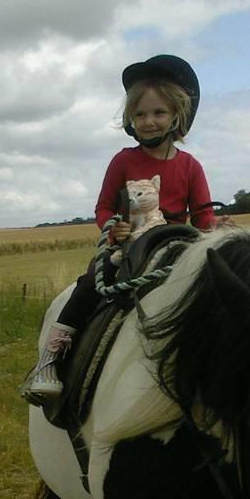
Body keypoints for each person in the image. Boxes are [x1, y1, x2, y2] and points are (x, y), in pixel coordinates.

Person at [24, 54, 219, 400]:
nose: (149, 121)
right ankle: (51, 357)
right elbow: (102, 206)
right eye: (140, 114)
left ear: (177, 115)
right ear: (131, 119)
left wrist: (212, 241)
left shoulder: (190, 167)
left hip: (177, 247)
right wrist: (113, 229)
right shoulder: (123, 161)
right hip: (129, 249)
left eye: (158, 113)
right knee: (89, 285)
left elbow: (203, 214)